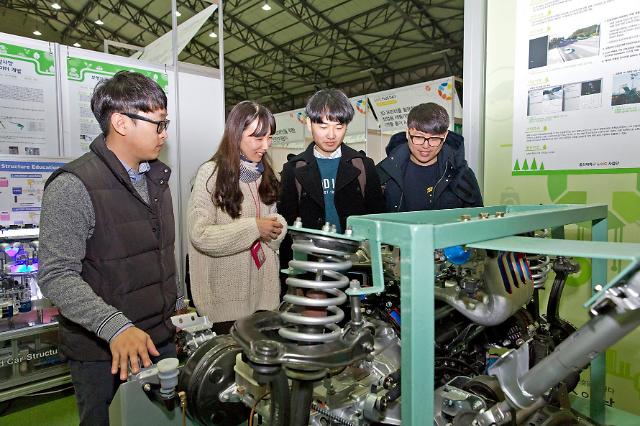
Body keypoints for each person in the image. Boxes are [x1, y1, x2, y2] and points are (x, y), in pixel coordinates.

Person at [38, 71, 183, 426]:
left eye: (166, 123)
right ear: (120, 122)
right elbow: (56, 274)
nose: (164, 134)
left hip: (159, 340)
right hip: (102, 353)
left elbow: (161, 254)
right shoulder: (73, 185)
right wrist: (114, 327)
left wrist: (178, 306)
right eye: (158, 124)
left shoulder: (158, 180)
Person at [187, 101, 286, 336]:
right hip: (226, 307)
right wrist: (254, 228)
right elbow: (200, 235)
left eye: (269, 137)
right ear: (236, 134)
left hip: (265, 298)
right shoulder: (210, 175)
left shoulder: (266, 174)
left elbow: (271, 225)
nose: (265, 145)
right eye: (257, 138)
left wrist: (277, 227)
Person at [278, 88, 385, 232]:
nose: (331, 135)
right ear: (309, 124)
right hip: (310, 252)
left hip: (355, 252)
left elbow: (378, 219)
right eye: (323, 126)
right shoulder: (292, 169)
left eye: (339, 127)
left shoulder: (364, 166)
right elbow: (286, 225)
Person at [377, 102, 483, 212]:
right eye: (419, 137)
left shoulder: (461, 174)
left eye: (434, 139)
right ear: (407, 133)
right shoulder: (385, 172)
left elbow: (476, 219)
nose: (426, 146)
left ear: (445, 136)